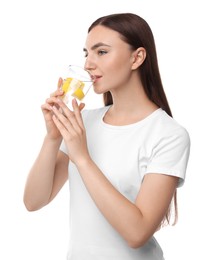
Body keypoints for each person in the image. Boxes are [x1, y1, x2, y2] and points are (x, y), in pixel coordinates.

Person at [23, 12, 190, 260]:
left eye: (101, 52)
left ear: (137, 57)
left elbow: (137, 233)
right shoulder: (85, 122)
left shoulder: (169, 135)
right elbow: (34, 201)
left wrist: (82, 158)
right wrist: (53, 138)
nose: (88, 63)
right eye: (86, 53)